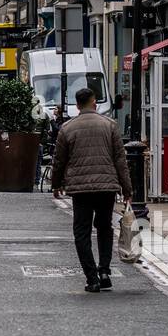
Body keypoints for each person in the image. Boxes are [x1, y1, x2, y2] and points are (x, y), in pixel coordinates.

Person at [51, 86, 133, 293]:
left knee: (82, 232)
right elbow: (120, 160)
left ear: (77, 105)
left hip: (81, 189)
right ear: (94, 102)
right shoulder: (110, 125)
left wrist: (56, 184)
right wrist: (127, 188)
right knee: (105, 228)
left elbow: (59, 160)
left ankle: (92, 278)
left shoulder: (67, 128)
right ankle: (104, 271)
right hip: (106, 187)